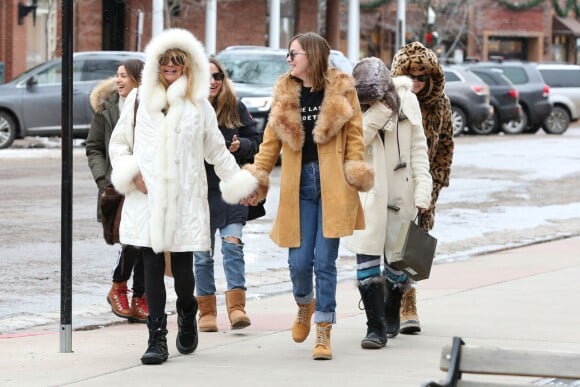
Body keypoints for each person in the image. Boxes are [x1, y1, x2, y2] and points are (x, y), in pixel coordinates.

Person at [109, 28, 257, 365]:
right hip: (147, 199)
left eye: (177, 60)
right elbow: (118, 145)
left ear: (188, 65)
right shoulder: (136, 100)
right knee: (150, 264)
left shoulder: (198, 105)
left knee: (184, 270)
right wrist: (132, 172)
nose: (170, 65)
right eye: (164, 60)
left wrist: (239, 184)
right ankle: (156, 337)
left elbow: (217, 152)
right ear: (155, 64)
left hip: (186, 198)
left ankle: (188, 312)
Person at [239, 32, 373, 360]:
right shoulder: (285, 90)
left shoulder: (342, 87)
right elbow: (270, 139)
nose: (288, 59)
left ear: (311, 56)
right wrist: (256, 176)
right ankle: (304, 304)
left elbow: (354, 132)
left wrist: (355, 166)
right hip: (299, 187)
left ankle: (324, 329)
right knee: (299, 263)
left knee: (325, 263)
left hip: (333, 185)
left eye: (293, 53)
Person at [342, 57, 432, 348]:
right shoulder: (352, 105)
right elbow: (353, 145)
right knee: (366, 258)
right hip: (367, 195)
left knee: (397, 261)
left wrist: (423, 191)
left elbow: (419, 148)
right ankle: (375, 327)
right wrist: (378, 113)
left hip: (401, 193)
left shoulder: (408, 100)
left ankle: (393, 303)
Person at [390, 42, 454, 334]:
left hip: (423, 186)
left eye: (422, 76)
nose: (416, 82)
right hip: (391, 185)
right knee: (387, 246)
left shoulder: (440, 104)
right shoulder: (388, 102)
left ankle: (408, 303)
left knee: (412, 247)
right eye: (411, 75)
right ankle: (385, 302)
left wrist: (435, 185)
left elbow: (445, 146)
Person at [193, 57, 261, 332]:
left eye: (218, 76)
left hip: (230, 188)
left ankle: (236, 308)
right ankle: (206, 312)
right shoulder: (189, 109)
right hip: (199, 189)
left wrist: (239, 146)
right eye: (207, 76)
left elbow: (256, 142)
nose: (213, 81)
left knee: (232, 246)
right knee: (201, 254)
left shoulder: (235, 106)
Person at [86, 59, 149, 324]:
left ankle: (141, 298)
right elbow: (94, 147)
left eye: (124, 76)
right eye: (117, 75)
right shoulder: (106, 109)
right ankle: (119, 286)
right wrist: (105, 180)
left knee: (148, 243)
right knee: (132, 242)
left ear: (138, 78)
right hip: (119, 187)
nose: (118, 80)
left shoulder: (150, 105)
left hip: (147, 186)